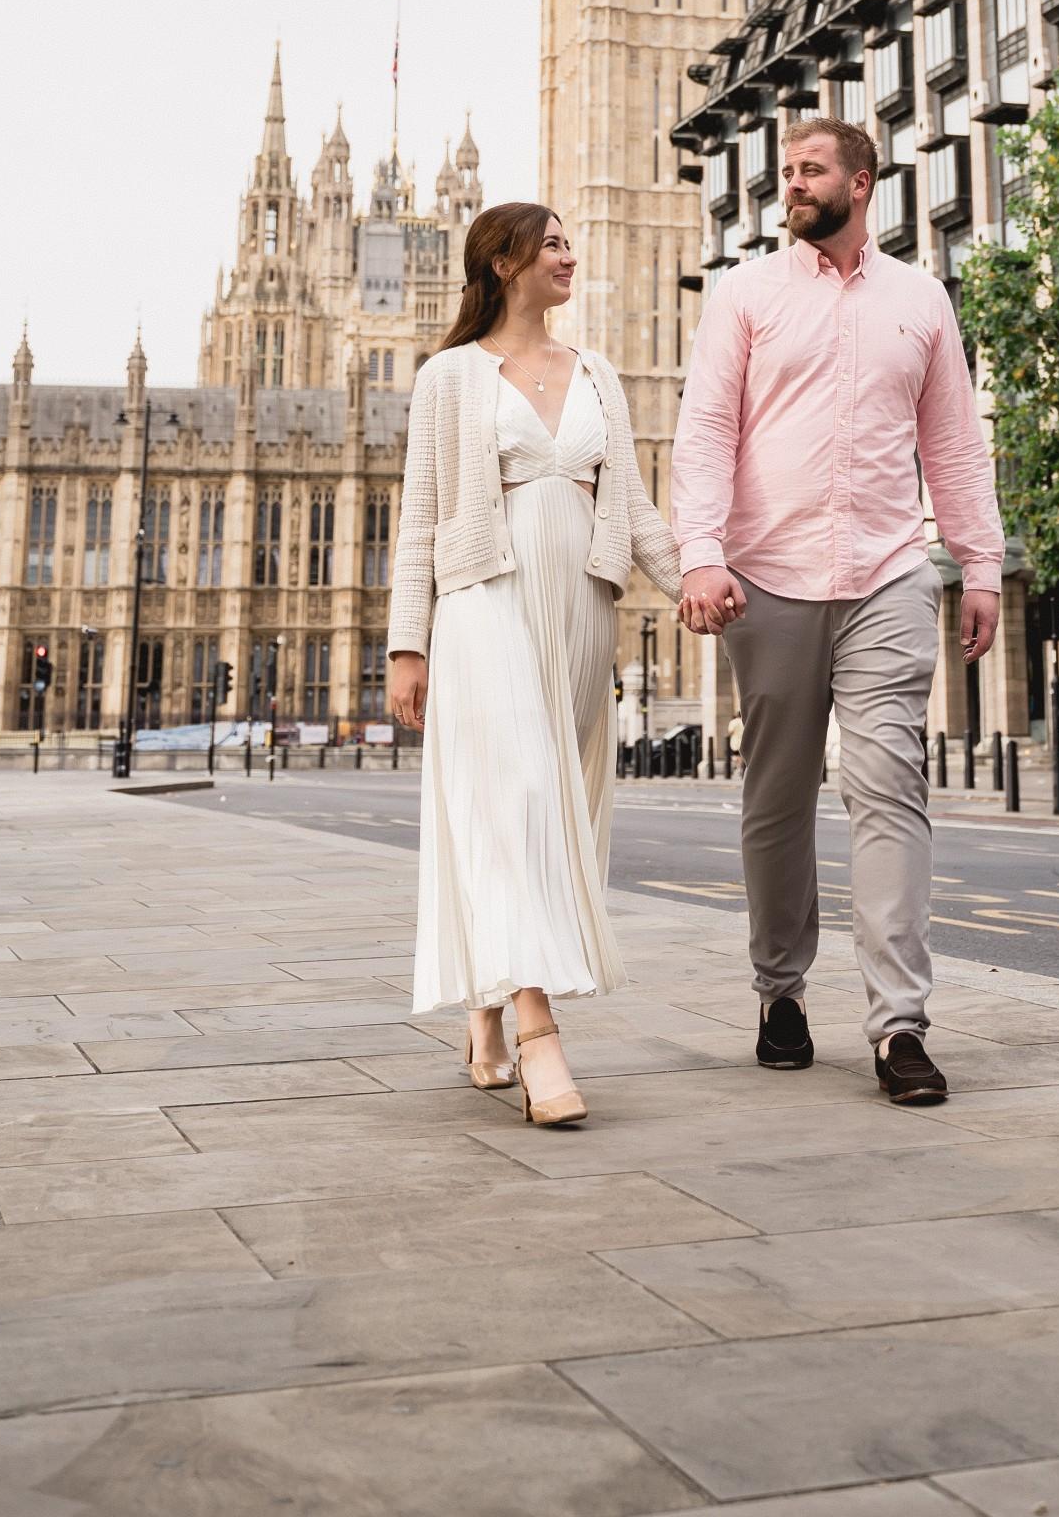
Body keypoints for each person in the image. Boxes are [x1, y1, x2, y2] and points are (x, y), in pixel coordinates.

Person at [673, 118, 1003, 1103]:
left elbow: (953, 443)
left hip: (890, 574)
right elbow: (704, 437)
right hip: (765, 578)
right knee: (776, 798)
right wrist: (700, 556)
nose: (793, 186)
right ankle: (780, 991)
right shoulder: (745, 296)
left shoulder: (921, 300)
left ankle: (900, 1024)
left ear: (863, 180)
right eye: (787, 173)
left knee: (889, 788)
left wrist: (977, 562)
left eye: (810, 170)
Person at [389, 202, 682, 1126]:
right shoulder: (449, 378)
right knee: (514, 798)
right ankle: (537, 1033)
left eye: (567, 241)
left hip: (581, 611)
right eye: (551, 243)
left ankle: (483, 1003)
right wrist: (409, 643)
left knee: (542, 817)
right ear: (503, 262)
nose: (569, 255)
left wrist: (702, 590)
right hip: (486, 601)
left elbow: (631, 510)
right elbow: (421, 519)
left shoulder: (596, 373)